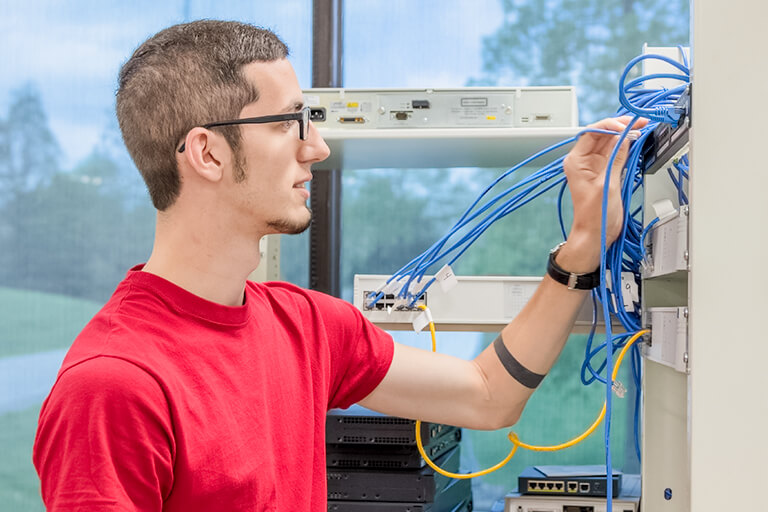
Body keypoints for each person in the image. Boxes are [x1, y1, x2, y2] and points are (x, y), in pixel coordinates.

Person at [32, 19, 646, 512]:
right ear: (207, 153)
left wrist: (583, 249)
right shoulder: (113, 387)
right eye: (287, 123)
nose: (317, 148)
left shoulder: (307, 327)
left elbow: (488, 396)